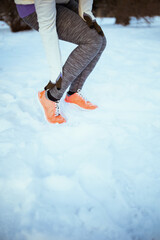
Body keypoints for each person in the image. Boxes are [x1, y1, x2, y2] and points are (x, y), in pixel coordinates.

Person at [15, 0, 106, 124]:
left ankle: (73, 93)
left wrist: (86, 12)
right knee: (93, 41)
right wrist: (55, 75)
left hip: (61, 1)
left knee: (99, 38)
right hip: (34, 7)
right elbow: (48, 29)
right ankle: (50, 97)